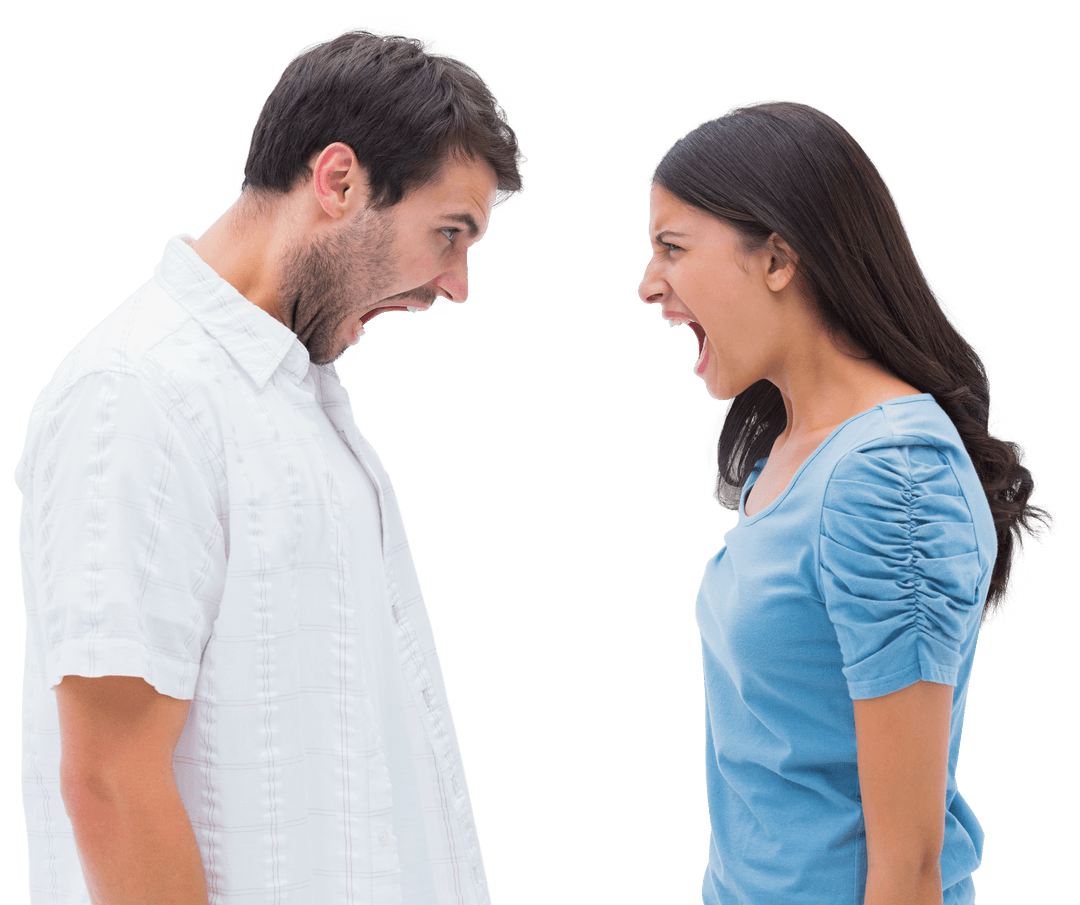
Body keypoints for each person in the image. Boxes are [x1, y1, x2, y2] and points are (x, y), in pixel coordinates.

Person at [15, 21, 526, 905]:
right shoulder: (138, 392)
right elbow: (110, 780)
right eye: (450, 233)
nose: (456, 284)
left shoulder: (294, 402)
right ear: (339, 181)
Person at [636, 99, 1056, 905]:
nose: (649, 284)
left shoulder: (890, 475)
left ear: (778, 258)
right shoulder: (789, 451)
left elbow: (909, 868)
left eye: (673, 248)